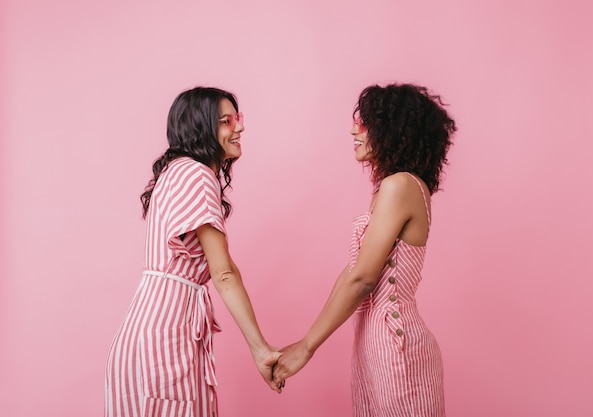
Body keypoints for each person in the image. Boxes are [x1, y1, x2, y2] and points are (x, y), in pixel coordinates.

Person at [273, 83, 457, 417]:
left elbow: (362, 279)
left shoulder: (399, 186)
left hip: (396, 347)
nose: (353, 130)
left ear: (393, 129)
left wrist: (307, 347)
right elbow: (353, 272)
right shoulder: (394, 188)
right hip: (375, 346)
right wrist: (304, 340)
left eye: (366, 122)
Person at [105, 87, 282, 417]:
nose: (239, 127)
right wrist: (260, 349)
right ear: (202, 126)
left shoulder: (180, 171)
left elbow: (226, 265)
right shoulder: (195, 174)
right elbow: (223, 273)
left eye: (238, 118)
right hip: (163, 344)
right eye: (227, 120)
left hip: (157, 337)